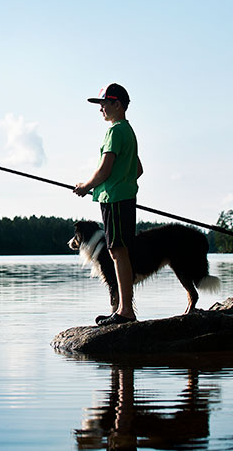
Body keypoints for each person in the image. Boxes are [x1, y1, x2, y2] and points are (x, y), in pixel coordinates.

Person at [73, 83, 143, 325]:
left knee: (117, 252)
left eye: (104, 102)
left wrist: (85, 186)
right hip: (123, 197)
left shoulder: (115, 132)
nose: (100, 107)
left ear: (118, 104)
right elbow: (139, 169)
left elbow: (104, 169)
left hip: (114, 199)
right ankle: (124, 309)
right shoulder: (128, 132)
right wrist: (124, 180)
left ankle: (125, 312)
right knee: (119, 251)